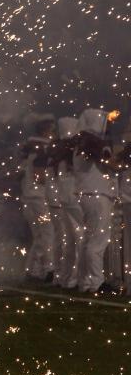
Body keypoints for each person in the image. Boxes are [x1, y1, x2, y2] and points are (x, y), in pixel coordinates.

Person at [73, 108, 118, 294]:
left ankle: (86, 282)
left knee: (89, 241)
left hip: (87, 194)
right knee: (98, 241)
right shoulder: (92, 142)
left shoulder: (81, 142)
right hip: (97, 195)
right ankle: (97, 282)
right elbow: (112, 163)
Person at [19, 114, 55, 283]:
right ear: (45, 128)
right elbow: (40, 176)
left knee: (39, 235)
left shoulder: (29, 147)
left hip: (29, 196)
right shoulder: (41, 147)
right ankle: (48, 269)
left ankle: (33, 270)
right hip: (39, 196)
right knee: (47, 233)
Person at [49, 117, 83, 289]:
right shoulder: (70, 150)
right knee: (79, 238)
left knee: (68, 240)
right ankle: (75, 278)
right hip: (72, 197)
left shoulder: (58, 150)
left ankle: (64, 276)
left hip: (63, 197)